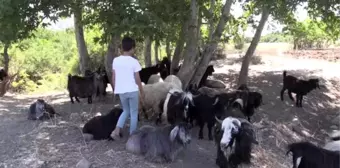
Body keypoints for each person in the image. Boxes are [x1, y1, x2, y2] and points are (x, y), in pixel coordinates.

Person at [110, 36, 145, 139]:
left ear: (123, 48)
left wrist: (115, 89)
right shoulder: (134, 61)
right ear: (132, 48)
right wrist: (142, 90)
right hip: (132, 91)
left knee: (126, 110)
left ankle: (116, 130)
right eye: (134, 48)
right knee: (134, 112)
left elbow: (113, 76)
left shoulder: (116, 60)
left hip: (122, 91)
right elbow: (137, 78)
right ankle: (132, 135)